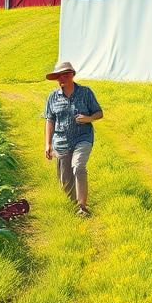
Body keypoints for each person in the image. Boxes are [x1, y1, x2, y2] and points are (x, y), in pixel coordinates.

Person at [43, 61, 103, 217]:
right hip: (61, 141)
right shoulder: (52, 97)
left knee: (78, 166)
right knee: (66, 180)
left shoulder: (85, 92)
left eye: (65, 74)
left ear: (72, 75)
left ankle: (82, 206)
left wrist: (88, 118)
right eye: (58, 76)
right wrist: (48, 144)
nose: (62, 78)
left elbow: (99, 113)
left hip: (83, 138)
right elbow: (50, 120)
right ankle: (73, 206)